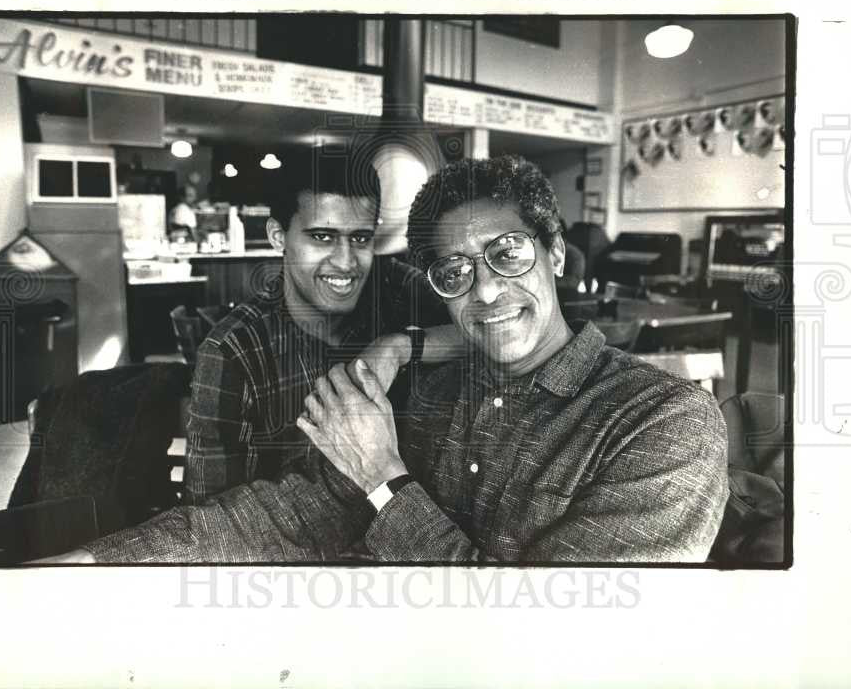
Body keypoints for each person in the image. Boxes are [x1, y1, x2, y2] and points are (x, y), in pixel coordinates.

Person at [45, 156, 727, 563]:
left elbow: (539, 638)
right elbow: (282, 515)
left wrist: (383, 474)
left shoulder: (663, 424)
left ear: (553, 253)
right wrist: (97, 562)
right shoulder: (432, 397)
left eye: (508, 252)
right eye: (453, 269)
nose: (484, 288)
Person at [182, 151, 454, 503]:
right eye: (322, 237)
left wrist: (399, 346)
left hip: (408, 530)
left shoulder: (395, 289)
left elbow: (487, 329)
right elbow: (209, 520)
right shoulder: (234, 351)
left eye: (360, 238)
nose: (345, 262)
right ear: (278, 236)